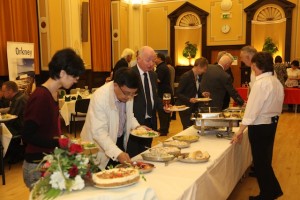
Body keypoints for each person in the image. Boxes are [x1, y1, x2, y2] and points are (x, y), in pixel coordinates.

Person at [22, 48, 85, 189]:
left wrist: (61, 139)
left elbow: (47, 128)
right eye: (74, 76)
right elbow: (27, 134)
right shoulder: (40, 96)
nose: (76, 80)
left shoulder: (53, 94)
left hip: (46, 161)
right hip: (36, 165)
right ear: (62, 73)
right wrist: (60, 143)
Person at [231, 52, 284, 200]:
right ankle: (273, 190)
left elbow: (252, 110)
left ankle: (267, 194)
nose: (252, 68)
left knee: (261, 162)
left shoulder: (261, 84)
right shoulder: (275, 81)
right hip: (271, 123)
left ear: (256, 66)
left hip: (260, 126)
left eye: (253, 65)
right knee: (264, 161)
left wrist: (240, 131)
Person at [80, 68, 143, 170]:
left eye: (133, 94)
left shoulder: (127, 93)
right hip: (98, 146)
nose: (130, 97)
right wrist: (117, 153)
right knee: (99, 176)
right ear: (115, 85)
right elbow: (99, 132)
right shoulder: (100, 97)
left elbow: (129, 116)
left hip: (118, 140)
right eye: (127, 93)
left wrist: (138, 127)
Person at [126, 46, 166, 157]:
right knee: (135, 153)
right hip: (136, 121)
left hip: (151, 121)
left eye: (153, 61)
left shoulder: (153, 75)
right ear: (138, 59)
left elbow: (153, 97)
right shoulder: (130, 74)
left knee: (147, 153)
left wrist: (163, 106)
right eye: (148, 60)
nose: (151, 64)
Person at [176, 57, 210, 130]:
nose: (204, 72)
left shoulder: (198, 76)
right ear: (198, 66)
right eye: (204, 69)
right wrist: (189, 99)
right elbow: (178, 93)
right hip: (185, 107)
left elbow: (195, 91)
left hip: (193, 107)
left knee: (193, 128)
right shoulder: (186, 76)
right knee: (187, 129)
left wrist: (202, 94)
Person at [2, 81, 29, 163]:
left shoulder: (18, 100)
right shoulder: (21, 96)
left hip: (21, 127)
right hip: (24, 125)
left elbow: (12, 118)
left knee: (2, 130)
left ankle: (8, 155)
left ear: (10, 91)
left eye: (3, 91)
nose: (3, 94)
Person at [155, 53, 172, 135]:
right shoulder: (163, 66)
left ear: (160, 59)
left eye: (156, 58)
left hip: (163, 92)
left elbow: (158, 80)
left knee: (163, 111)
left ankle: (163, 130)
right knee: (165, 111)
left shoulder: (161, 68)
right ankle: (164, 128)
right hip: (165, 91)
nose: (154, 60)